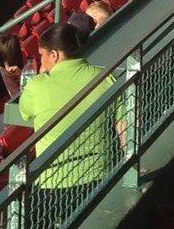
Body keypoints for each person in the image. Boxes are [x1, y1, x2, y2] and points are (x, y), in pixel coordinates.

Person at [16, 23, 115, 189]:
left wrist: (40, 78)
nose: (41, 61)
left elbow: (25, 113)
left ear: (53, 55)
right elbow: (123, 125)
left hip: (54, 183)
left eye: (42, 55)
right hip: (102, 175)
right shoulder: (104, 77)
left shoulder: (36, 85)